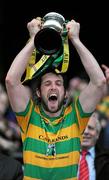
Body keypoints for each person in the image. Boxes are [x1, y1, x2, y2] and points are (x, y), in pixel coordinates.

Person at [5, 16, 106, 180]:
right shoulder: (29, 117)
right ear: (38, 93)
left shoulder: (75, 118)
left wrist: (76, 40)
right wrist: (33, 39)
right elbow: (11, 81)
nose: (53, 87)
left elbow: (99, 82)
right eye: (47, 84)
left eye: (58, 83)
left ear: (66, 93)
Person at [78, 111, 109, 180]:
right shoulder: (61, 156)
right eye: (82, 128)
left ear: (97, 134)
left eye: (90, 128)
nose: (86, 132)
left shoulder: (107, 158)